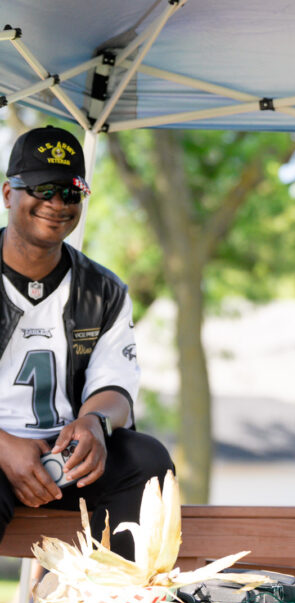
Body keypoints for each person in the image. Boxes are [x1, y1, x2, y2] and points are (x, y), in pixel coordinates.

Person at [0, 125, 174, 561]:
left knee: (145, 459)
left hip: (64, 456)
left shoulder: (102, 289)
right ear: (8, 194)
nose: (56, 204)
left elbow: (115, 389)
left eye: (70, 192)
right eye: (41, 189)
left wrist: (95, 422)